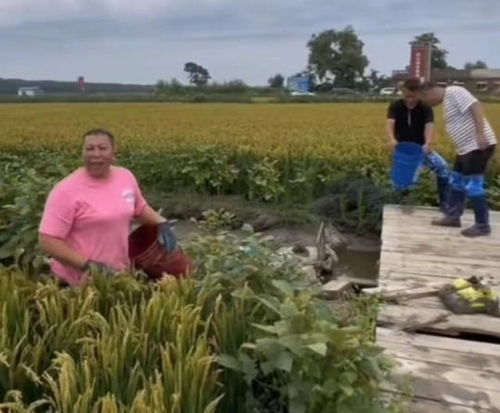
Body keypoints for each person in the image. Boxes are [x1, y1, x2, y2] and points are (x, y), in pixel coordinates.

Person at [39, 128, 181, 286]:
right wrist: (88, 265)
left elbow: (139, 207)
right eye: (89, 148)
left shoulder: (125, 177)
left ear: (113, 152)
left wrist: (161, 222)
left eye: (102, 148)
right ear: (82, 153)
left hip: (118, 274)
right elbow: (47, 240)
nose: (96, 154)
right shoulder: (66, 190)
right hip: (79, 282)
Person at [420, 83, 497, 237]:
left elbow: (476, 106)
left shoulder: (455, 91)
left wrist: (480, 134)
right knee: (456, 181)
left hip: (477, 147)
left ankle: (482, 226)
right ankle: (453, 217)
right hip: (465, 149)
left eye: (426, 99)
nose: (428, 104)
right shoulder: (448, 99)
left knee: (473, 185)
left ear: (429, 93)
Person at [386, 78, 450, 210]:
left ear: (419, 93)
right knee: (403, 179)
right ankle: (401, 204)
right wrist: (392, 139)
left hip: (421, 149)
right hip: (403, 150)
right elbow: (390, 123)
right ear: (403, 92)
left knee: (442, 168)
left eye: (413, 96)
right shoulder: (396, 106)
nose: (409, 99)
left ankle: (445, 203)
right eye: (406, 96)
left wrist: (427, 143)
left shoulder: (425, 107)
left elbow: (429, 126)